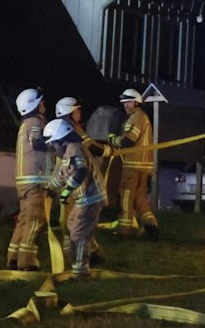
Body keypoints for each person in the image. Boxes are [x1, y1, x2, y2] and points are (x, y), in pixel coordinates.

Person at [45, 118, 103, 280]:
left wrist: (66, 192)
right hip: (85, 198)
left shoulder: (75, 150)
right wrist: (50, 188)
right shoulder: (69, 151)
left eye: (53, 144)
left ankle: (81, 272)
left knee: (78, 232)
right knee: (72, 225)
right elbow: (63, 175)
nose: (52, 148)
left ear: (61, 140)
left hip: (90, 198)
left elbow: (81, 171)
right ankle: (93, 257)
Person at [5, 88, 54, 271]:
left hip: (25, 181)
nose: (44, 104)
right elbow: (38, 142)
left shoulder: (25, 124)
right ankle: (26, 263)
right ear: (34, 105)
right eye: (41, 101)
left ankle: (13, 258)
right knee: (35, 220)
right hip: (35, 181)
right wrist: (56, 140)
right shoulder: (35, 122)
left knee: (24, 220)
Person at [105, 89, 159, 240]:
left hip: (133, 165)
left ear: (136, 102)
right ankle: (151, 225)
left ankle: (125, 230)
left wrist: (112, 139)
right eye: (124, 103)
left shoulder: (136, 118)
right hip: (144, 166)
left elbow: (128, 141)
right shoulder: (143, 117)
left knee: (126, 196)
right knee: (140, 198)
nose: (125, 106)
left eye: (128, 102)